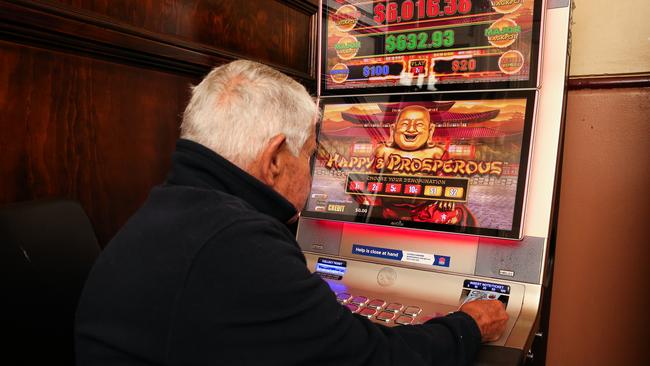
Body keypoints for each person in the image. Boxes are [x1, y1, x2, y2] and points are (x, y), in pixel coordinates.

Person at [75, 60, 508, 366]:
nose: (312, 169)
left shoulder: (172, 207)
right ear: (276, 157)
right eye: (309, 154)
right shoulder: (237, 244)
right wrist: (466, 326)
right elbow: (372, 358)